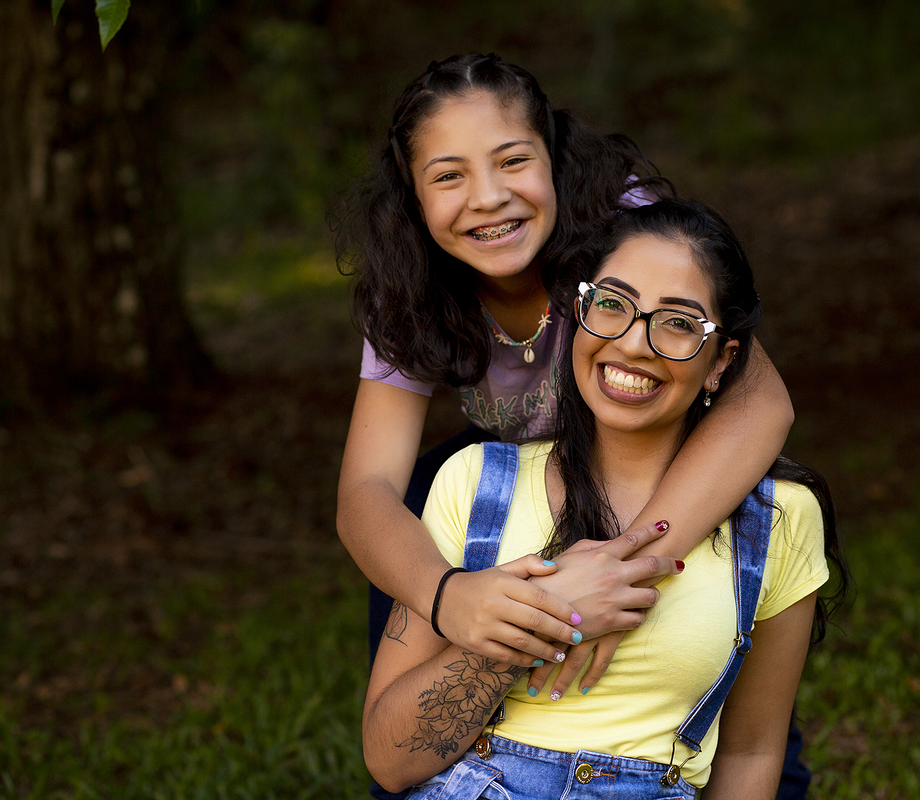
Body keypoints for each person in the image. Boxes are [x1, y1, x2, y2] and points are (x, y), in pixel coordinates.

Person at [330, 54, 804, 796]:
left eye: (512, 161)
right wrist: (448, 594)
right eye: (448, 176)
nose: (488, 198)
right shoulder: (407, 283)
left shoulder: (622, 223)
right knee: (415, 693)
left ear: (553, 157)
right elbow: (366, 489)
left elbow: (759, 401)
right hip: (504, 477)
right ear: (414, 195)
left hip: (648, 462)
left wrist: (622, 574)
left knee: (713, 648)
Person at [362, 199, 848, 798]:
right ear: (579, 315)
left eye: (677, 322)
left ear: (722, 362)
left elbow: (752, 751)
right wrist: (541, 620)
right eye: (612, 305)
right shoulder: (474, 481)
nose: (634, 344)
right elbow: (390, 758)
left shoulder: (777, 519)